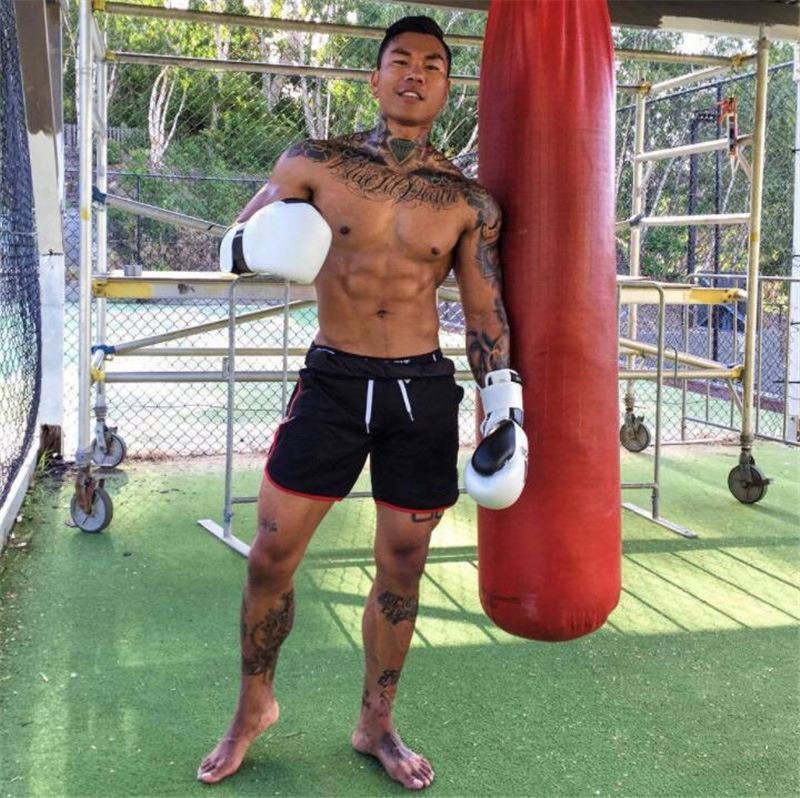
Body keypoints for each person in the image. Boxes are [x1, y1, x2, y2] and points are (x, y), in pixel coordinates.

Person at [198, 16, 515, 791]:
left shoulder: (469, 201)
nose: (415, 73)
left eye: (433, 65)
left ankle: (376, 722)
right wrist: (254, 245)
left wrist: (502, 405)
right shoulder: (315, 162)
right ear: (374, 78)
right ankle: (253, 706)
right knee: (271, 555)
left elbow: (484, 311)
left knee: (403, 566)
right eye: (400, 60)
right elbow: (235, 239)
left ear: (446, 88)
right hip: (334, 382)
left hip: (420, 391)